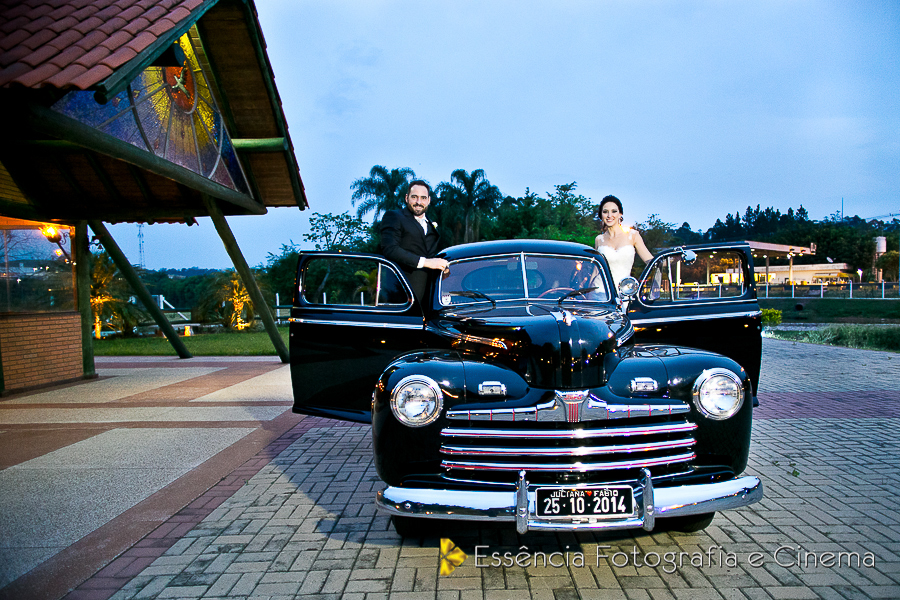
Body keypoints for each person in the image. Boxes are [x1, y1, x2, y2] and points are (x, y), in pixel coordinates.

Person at [379, 180, 449, 300]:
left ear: (428, 200)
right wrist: (426, 262)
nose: (418, 202)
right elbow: (390, 249)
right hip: (401, 296)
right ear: (407, 198)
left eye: (423, 198)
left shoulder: (432, 225)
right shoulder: (394, 216)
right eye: (414, 197)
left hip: (429, 298)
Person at [594, 195, 653, 286]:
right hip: (600, 291)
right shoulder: (599, 239)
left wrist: (672, 259)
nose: (609, 215)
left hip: (624, 290)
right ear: (601, 215)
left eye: (614, 211)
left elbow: (650, 261)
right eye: (605, 212)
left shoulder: (633, 235)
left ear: (620, 214)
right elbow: (596, 269)